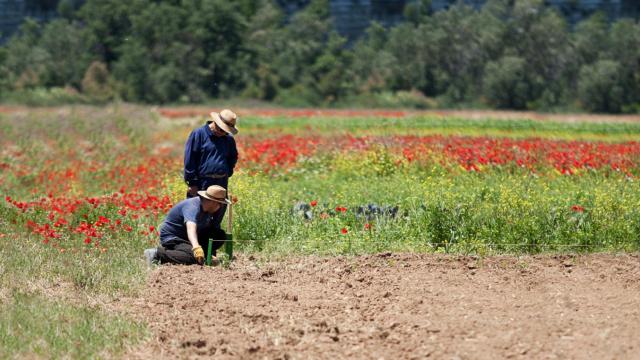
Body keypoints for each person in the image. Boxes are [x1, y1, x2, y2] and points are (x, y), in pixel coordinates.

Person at [144, 185, 232, 266]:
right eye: (219, 204)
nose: (220, 207)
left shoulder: (208, 210)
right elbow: (191, 228)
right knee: (193, 256)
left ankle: (202, 256)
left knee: (219, 235)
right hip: (174, 238)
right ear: (212, 202)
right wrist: (196, 248)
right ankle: (157, 254)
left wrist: (210, 253)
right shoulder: (193, 206)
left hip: (188, 237)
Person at [183, 109, 238, 229]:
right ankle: (194, 245)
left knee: (217, 216)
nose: (223, 133)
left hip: (221, 183)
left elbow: (233, 157)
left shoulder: (228, 139)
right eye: (221, 129)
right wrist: (192, 183)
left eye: (226, 131)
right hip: (202, 182)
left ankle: (211, 246)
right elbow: (190, 159)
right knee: (197, 216)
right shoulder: (198, 134)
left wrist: (226, 172)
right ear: (215, 122)